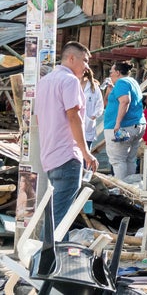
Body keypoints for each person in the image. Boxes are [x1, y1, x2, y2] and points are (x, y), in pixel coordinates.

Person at [35, 41, 98, 231]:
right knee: (60, 222)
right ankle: (52, 259)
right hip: (67, 155)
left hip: (50, 156)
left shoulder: (44, 81)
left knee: (56, 216)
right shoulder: (70, 81)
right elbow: (73, 116)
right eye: (85, 60)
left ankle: (49, 257)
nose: (87, 66)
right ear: (71, 58)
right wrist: (86, 152)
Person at [103, 61, 146, 180]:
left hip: (123, 126)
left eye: (111, 72)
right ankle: (130, 188)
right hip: (136, 124)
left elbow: (125, 101)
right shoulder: (132, 82)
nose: (110, 75)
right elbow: (108, 103)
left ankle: (122, 190)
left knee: (118, 160)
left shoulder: (121, 83)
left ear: (117, 72)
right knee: (130, 159)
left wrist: (117, 123)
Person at [80, 68, 104, 150]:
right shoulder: (71, 85)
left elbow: (100, 103)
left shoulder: (93, 86)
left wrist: (93, 116)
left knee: (86, 154)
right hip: (74, 124)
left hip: (88, 125)